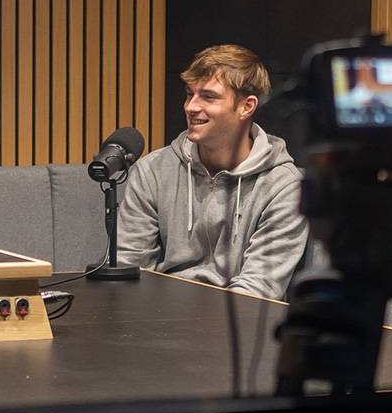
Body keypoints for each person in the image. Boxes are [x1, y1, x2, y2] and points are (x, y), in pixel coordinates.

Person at [114, 43, 309, 300]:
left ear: (246, 107)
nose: (191, 107)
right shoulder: (153, 171)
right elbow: (130, 268)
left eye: (208, 97)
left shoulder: (284, 186)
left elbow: (258, 288)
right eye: (189, 94)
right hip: (158, 320)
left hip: (236, 325)